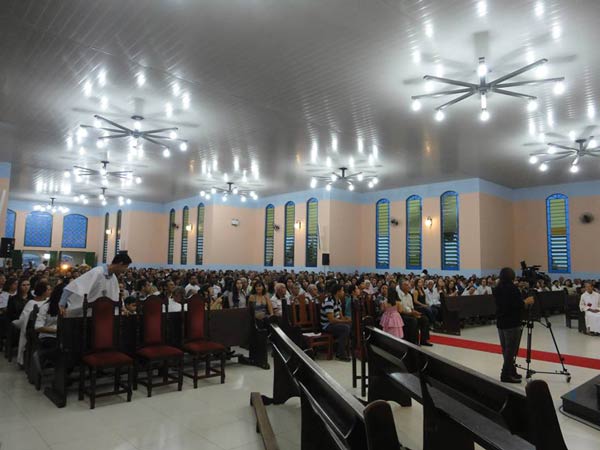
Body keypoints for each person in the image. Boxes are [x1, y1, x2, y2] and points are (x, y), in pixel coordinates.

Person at [493, 267, 534, 383]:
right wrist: (527, 301)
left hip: (501, 322)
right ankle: (505, 374)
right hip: (512, 322)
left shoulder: (497, 288)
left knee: (506, 349)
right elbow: (517, 304)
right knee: (511, 350)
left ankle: (511, 370)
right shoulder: (512, 289)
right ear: (512, 276)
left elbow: (506, 302)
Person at [59, 252, 132, 315]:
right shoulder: (97, 272)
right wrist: (62, 304)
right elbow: (74, 286)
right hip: (90, 314)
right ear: (120, 264)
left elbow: (116, 295)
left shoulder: (113, 278)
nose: (125, 270)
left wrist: (123, 307)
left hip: (105, 315)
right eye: (125, 267)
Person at [16, 281, 51, 366]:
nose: (50, 291)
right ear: (43, 292)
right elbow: (23, 319)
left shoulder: (48, 302)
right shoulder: (31, 303)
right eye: (48, 290)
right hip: (34, 330)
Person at [320, 283, 351, 361]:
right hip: (327, 325)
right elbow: (331, 320)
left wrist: (347, 319)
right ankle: (341, 354)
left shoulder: (338, 301)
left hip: (335, 323)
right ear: (338, 292)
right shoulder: (329, 301)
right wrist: (344, 321)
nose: (343, 292)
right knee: (345, 328)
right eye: (342, 291)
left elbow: (341, 316)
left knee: (351, 325)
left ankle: (346, 349)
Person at [397, 280, 432, 346]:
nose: (409, 286)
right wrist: (412, 314)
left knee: (425, 319)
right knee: (413, 320)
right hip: (402, 315)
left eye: (409, 285)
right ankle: (414, 341)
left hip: (410, 313)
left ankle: (424, 340)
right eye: (406, 285)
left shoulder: (409, 295)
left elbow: (412, 308)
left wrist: (415, 312)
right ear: (401, 286)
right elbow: (400, 310)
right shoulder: (399, 295)